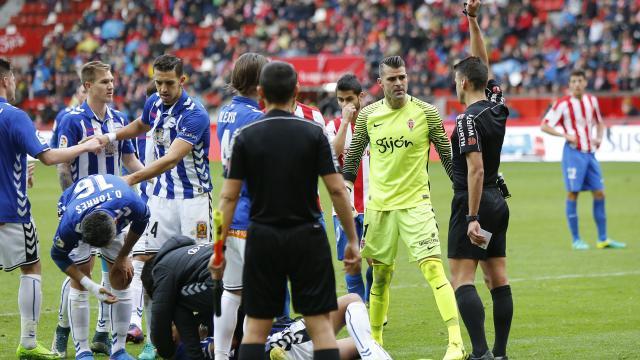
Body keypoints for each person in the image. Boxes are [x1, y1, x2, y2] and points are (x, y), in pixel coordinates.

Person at [209, 61, 361, 360]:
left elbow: (227, 199)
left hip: (263, 236)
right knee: (320, 325)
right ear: (297, 90)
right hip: (307, 235)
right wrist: (353, 239)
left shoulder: (246, 135)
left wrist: (218, 248)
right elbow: (336, 189)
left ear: (262, 92)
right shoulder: (313, 133)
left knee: (255, 328)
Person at [341, 55, 467, 359]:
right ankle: (374, 345)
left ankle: (455, 342)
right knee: (380, 276)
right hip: (379, 208)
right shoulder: (369, 114)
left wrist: (462, 191)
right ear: (380, 82)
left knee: (434, 269)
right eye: (392, 79)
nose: (399, 83)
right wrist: (345, 187)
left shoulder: (426, 112)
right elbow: (354, 155)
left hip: (416, 205)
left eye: (402, 77)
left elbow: (448, 157)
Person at [96, 54, 212, 359]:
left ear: (182, 81)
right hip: (160, 201)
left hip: (194, 203)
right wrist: (111, 135)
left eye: (169, 83)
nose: (162, 88)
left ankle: (198, 339)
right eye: (158, 81)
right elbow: (140, 124)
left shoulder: (195, 113)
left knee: (200, 273)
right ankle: (153, 338)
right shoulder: (154, 102)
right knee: (148, 267)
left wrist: (131, 177)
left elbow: (172, 158)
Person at [0, 57, 102, 359]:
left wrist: (18, 169)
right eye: (14, 78)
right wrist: (85, 146)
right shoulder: (14, 115)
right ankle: (29, 343)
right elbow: (47, 156)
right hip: (9, 212)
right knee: (31, 267)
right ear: (5, 80)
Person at [50, 61, 144, 358]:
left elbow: (130, 161)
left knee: (123, 274)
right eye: (104, 81)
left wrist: (149, 180)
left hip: (114, 210)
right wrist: (67, 202)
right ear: (88, 86)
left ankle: (116, 347)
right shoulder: (72, 119)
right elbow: (63, 165)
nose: (111, 85)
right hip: (82, 209)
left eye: (112, 80)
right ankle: (80, 348)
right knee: (82, 274)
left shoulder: (119, 118)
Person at [447, 1, 513, 359]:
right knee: (497, 278)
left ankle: (480, 353)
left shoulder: (465, 120)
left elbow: (474, 169)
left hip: (473, 201)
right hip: (498, 201)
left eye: (457, 81)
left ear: (463, 82)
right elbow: (482, 65)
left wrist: (471, 217)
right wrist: (472, 21)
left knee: (462, 279)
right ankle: (500, 353)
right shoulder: (497, 106)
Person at [51, 174, 150, 360]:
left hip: (113, 202)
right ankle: (82, 350)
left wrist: (123, 256)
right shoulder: (71, 223)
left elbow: (143, 219)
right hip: (75, 206)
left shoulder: (131, 202)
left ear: (116, 223)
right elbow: (57, 255)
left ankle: (119, 350)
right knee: (80, 280)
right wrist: (91, 286)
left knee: (122, 278)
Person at [214, 52, 268, 360]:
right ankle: (250, 354)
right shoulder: (258, 119)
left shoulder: (224, 112)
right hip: (251, 214)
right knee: (258, 296)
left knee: (232, 293)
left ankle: (221, 355)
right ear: (259, 82)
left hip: (227, 210)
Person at [541, 70, 626, 250]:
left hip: (590, 153)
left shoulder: (591, 101)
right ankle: (576, 239)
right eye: (573, 81)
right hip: (573, 153)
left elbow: (600, 122)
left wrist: (599, 137)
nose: (577, 84)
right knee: (573, 193)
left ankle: (603, 239)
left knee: (600, 192)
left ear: (585, 82)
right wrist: (564, 134)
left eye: (580, 80)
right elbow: (544, 125)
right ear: (570, 85)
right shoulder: (563, 104)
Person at [325, 74, 372, 302]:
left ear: (361, 96)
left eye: (349, 99)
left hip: (374, 203)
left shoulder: (374, 122)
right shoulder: (333, 126)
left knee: (376, 260)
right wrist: (344, 121)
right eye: (340, 100)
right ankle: (358, 309)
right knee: (351, 261)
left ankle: (375, 306)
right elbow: (332, 153)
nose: (345, 105)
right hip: (345, 205)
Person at [140, 235, 220, 359]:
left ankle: (194, 356)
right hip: (246, 272)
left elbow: (160, 314)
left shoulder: (161, 269)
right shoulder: (189, 253)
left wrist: (167, 351)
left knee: (174, 298)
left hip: (221, 281)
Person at [267, 294, 392, 360]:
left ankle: (370, 353)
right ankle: (371, 356)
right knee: (352, 299)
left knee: (359, 344)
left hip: (287, 347)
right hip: (287, 343)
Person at [50, 84, 87, 148]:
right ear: (77, 95)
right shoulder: (63, 114)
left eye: (90, 92)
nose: (87, 95)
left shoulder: (100, 114)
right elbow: (54, 140)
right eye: (84, 92)